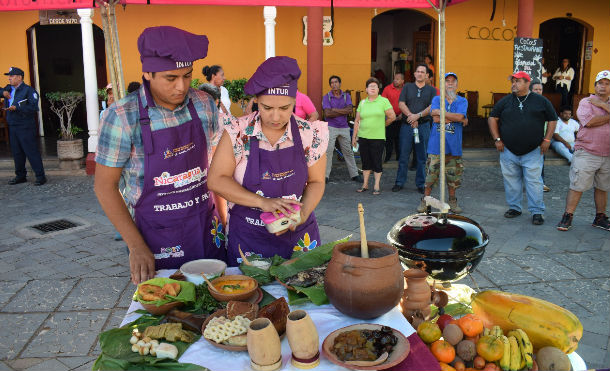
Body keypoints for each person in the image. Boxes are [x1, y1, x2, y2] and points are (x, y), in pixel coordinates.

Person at [94, 26, 226, 284]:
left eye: (187, 76)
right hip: (154, 238)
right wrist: (135, 246)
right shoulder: (122, 116)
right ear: (147, 73)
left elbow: (218, 169)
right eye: (170, 78)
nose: (181, 86)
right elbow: (104, 187)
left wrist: (226, 220)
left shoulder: (204, 105)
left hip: (206, 228)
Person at [207, 56, 329, 266]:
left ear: (295, 101)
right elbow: (217, 180)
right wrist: (263, 203)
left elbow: (317, 182)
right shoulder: (238, 132)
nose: (275, 117)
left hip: (298, 237)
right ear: (256, 101)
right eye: (266, 108)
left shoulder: (310, 134)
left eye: (284, 108)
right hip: (248, 237)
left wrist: (302, 213)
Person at [488, 71, 558, 225]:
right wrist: (497, 139)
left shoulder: (541, 101)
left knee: (534, 182)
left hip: (533, 150)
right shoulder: (505, 101)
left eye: (517, 81)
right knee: (511, 181)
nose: (514, 84)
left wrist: (547, 139)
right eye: (512, 81)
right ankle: (515, 207)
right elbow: (492, 117)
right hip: (508, 150)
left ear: (527, 83)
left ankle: (537, 211)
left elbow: (552, 119)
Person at [557, 70, 610, 232]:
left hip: (607, 153)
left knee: (603, 187)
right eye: (600, 83)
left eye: (607, 84)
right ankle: (568, 215)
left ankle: (600, 217)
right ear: (595, 86)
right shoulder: (586, 102)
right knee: (577, 185)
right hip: (587, 151)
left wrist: (604, 106)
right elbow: (590, 122)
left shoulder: (603, 103)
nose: (603, 87)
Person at [417, 72, 468, 214]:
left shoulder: (462, 101)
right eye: (447, 81)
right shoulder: (437, 99)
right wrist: (455, 118)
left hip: (454, 146)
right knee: (430, 176)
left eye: (453, 81)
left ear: (457, 84)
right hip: (436, 146)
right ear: (443, 84)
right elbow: (436, 119)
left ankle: (452, 201)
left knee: (453, 176)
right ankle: (425, 200)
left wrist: (442, 113)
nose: (450, 83)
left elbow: (460, 117)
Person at [392, 64, 436, 193]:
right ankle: (399, 182)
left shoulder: (432, 90)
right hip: (407, 126)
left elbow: (432, 106)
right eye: (418, 71)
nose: (420, 73)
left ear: (427, 75)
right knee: (403, 156)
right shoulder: (407, 87)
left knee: (422, 157)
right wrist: (411, 116)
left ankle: (421, 184)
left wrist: (418, 116)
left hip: (423, 126)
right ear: (415, 74)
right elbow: (401, 103)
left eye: (423, 72)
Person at [2, 67, 46, 186]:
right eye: (9, 76)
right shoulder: (8, 88)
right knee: (17, 152)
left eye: (12, 76)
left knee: (31, 151)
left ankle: (40, 176)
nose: (9, 78)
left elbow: (33, 108)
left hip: (25, 126)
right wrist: (3, 93)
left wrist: (17, 108)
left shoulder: (29, 91)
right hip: (13, 125)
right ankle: (20, 175)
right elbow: (1, 91)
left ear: (19, 77)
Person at [351, 77, 396, 195]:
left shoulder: (383, 101)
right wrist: (354, 137)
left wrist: (382, 125)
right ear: (366, 89)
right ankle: (365, 184)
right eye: (370, 86)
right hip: (363, 136)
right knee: (365, 161)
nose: (372, 88)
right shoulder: (362, 103)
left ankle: (376, 185)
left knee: (376, 161)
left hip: (378, 137)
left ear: (378, 89)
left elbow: (392, 117)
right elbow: (357, 121)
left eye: (374, 86)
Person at [323, 75, 361, 183]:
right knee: (328, 152)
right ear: (330, 85)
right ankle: (325, 176)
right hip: (331, 127)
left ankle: (354, 175)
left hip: (344, 127)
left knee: (348, 152)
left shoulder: (346, 96)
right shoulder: (327, 97)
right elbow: (327, 113)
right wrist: (341, 110)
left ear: (340, 83)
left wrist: (334, 109)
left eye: (336, 82)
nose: (334, 84)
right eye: (332, 83)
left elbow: (349, 110)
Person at [531, 80, 551, 192]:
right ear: (531, 90)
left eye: (540, 89)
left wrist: (547, 138)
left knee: (540, 161)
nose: (538, 91)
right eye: (536, 89)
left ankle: (541, 183)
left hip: (541, 138)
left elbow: (551, 121)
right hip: (526, 137)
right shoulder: (525, 102)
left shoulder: (545, 103)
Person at [381, 72, 404, 162]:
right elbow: (382, 103)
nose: (395, 80)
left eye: (398, 79)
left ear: (402, 81)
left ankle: (399, 157)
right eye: (394, 78)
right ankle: (387, 156)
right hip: (389, 117)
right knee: (388, 138)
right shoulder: (387, 89)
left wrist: (403, 114)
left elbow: (409, 102)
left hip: (402, 117)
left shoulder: (405, 89)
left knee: (400, 138)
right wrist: (389, 115)